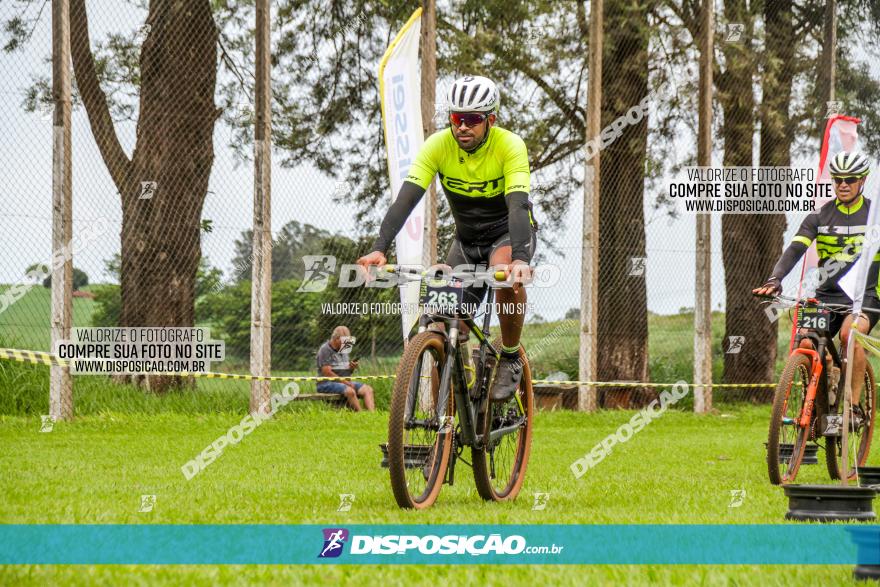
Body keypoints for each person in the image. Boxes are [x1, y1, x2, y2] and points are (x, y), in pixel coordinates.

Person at [357, 75, 538, 401]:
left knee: (505, 274)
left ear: (491, 120)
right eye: (456, 118)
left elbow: (518, 206)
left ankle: (509, 356)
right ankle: (448, 422)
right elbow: (406, 200)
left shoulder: (510, 146)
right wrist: (379, 249)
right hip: (466, 243)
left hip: (506, 235)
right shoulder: (438, 145)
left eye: (471, 120)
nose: (462, 127)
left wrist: (521, 259)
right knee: (442, 323)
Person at [753, 151, 879, 420]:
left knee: (850, 336)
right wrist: (776, 278)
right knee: (808, 343)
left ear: (862, 180)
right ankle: (826, 389)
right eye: (837, 179)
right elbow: (796, 249)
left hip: (864, 296)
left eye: (850, 179)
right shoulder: (819, 216)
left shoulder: (874, 216)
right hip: (827, 294)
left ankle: (853, 409)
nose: (843, 184)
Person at [316, 326, 375, 412]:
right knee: (350, 391)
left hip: (344, 382)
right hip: (326, 383)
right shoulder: (325, 349)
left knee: (368, 389)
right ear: (336, 339)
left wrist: (351, 368)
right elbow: (327, 373)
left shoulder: (344, 349)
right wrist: (346, 382)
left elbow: (347, 373)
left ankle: (372, 415)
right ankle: (362, 415)